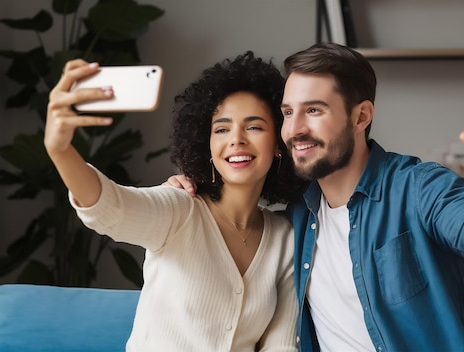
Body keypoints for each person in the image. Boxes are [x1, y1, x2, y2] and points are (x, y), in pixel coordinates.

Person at [168, 43, 464, 351]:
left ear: (361, 116)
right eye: (288, 112)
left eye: (314, 110)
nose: (294, 130)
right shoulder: (295, 215)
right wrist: (191, 191)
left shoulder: (419, 188)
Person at [44, 51, 307, 351]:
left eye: (254, 126)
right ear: (206, 145)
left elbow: (282, 346)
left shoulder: (285, 239)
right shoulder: (181, 208)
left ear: (279, 144)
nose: (236, 139)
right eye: (221, 129)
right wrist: (60, 150)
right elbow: (112, 210)